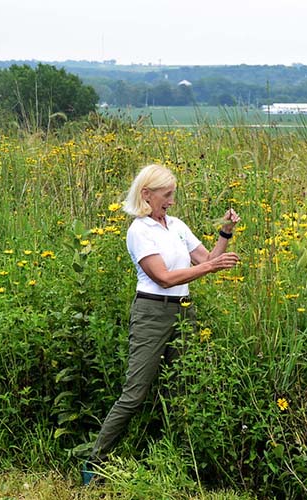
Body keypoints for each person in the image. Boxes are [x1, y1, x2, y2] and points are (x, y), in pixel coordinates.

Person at [83, 163, 240, 484]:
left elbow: (206, 259)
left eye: (173, 195)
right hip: (152, 313)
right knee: (135, 393)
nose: (171, 201)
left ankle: (178, 463)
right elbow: (165, 278)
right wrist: (211, 269)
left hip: (183, 311)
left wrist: (225, 233)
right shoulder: (139, 231)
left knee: (181, 390)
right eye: (166, 195)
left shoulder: (177, 225)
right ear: (146, 195)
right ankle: (94, 463)